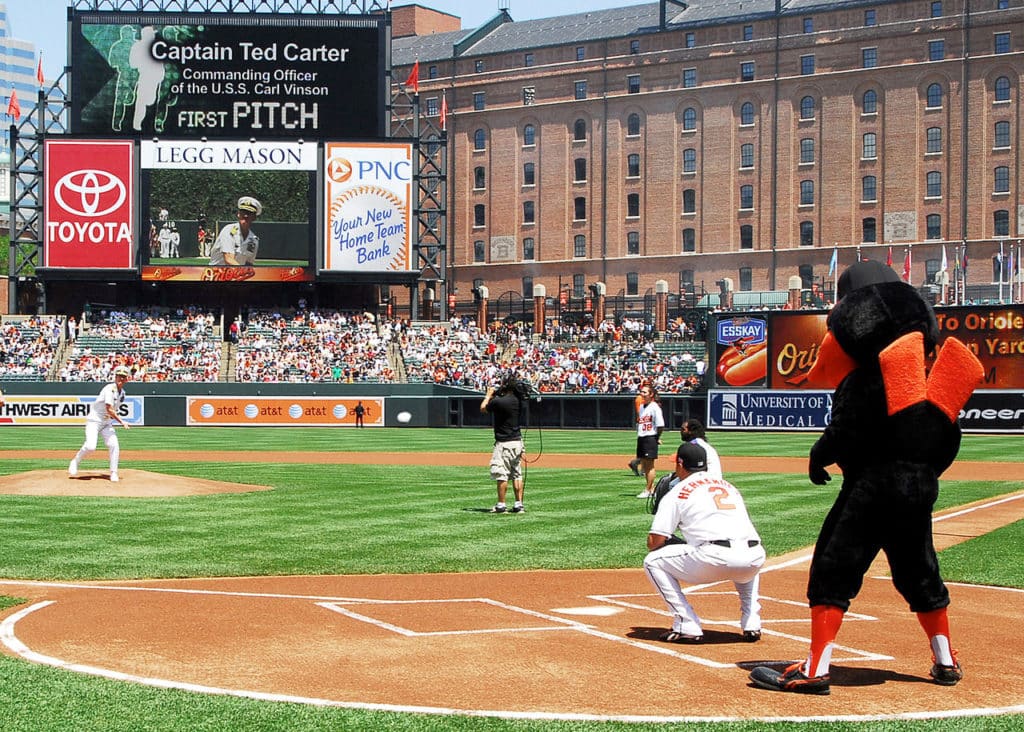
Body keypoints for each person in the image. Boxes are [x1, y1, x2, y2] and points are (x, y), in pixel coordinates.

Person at [643, 442, 765, 643]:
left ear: (680, 464)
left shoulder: (677, 492)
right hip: (755, 559)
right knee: (744, 550)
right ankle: (752, 622)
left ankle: (686, 623)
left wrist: (673, 542)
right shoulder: (729, 486)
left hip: (713, 559)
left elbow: (655, 542)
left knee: (653, 561)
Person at [69, 365, 132, 482]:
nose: (120, 379)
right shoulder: (109, 389)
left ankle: (114, 472)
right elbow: (109, 409)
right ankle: (75, 461)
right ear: (115, 377)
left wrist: (113, 419)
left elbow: (112, 410)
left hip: (106, 423)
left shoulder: (122, 393)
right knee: (90, 446)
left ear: (127, 379)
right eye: (119, 376)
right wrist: (122, 422)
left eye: (123, 376)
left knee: (114, 445)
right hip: (94, 421)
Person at [480, 371, 528, 514]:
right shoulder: (518, 400)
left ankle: (501, 505)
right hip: (517, 441)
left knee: (502, 474)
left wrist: (488, 395)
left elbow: (483, 408)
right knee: (516, 474)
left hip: (504, 443)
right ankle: (519, 504)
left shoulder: (499, 401)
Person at [210, 197, 261, 266]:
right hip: (217, 274)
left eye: (249, 213)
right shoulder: (229, 231)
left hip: (237, 275)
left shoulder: (254, 240)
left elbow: (249, 264)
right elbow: (228, 259)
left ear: (254, 217)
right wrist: (243, 271)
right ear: (238, 214)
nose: (245, 216)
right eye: (243, 212)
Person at [635, 384, 664, 499]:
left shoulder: (655, 407)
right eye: (641, 392)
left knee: (650, 466)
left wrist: (656, 437)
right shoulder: (642, 407)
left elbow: (660, 425)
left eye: (645, 392)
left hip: (650, 437)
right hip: (642, 437)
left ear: (651, 394)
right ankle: (651, 489)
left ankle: (648, 490)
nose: (642, 394)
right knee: (645, 466)